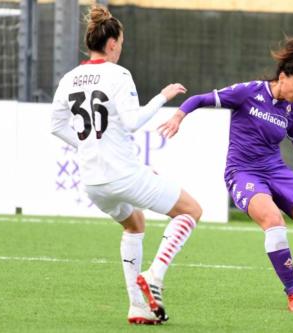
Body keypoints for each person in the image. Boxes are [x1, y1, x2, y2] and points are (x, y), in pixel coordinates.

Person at [159, 37, 293, 314]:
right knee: (274, 221)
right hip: (242, 172)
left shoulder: (292, 111)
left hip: (277, 172)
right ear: (283, 77)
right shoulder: (248, 92)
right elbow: (200, 99)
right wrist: (179, 116)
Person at [50, 5, 202, 325]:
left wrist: (88, 145)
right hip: (122, 175)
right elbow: (132, 122)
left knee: (134, 225)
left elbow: (56, 125)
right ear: (113, 43)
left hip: (93, 182)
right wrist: (163, 96)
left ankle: (137, 307)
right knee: (191, 211)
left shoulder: (70, 77)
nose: (121, 47)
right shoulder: (118, 74)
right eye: (121, 42)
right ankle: (155, 277)